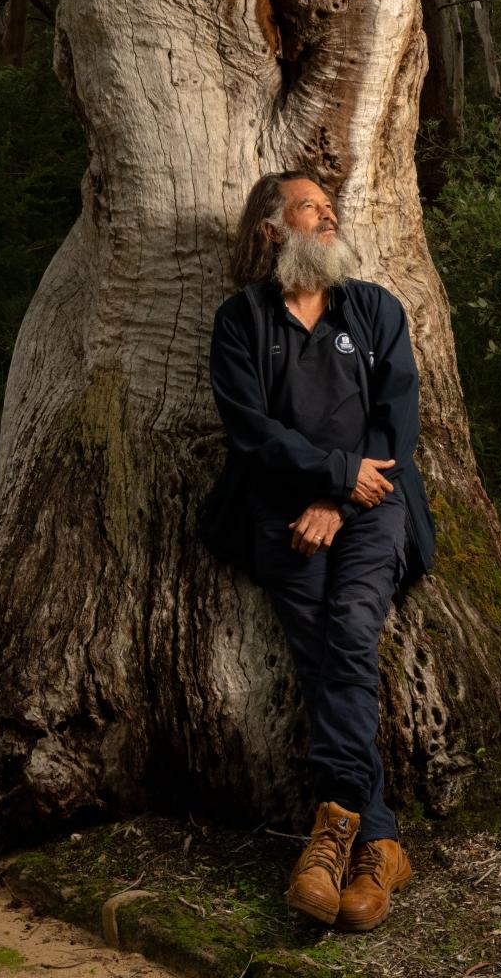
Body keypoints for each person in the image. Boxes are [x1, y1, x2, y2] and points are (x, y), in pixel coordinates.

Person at [199, 170, 436, 932]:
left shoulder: (371, 310)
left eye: (331, 208)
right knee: (323, 658)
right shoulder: (241, 323)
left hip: (372, 508)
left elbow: (395, 422)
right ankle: (377, 840)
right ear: (273, 229)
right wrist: (324, 483)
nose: (328, 215)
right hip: (279, 514)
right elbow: (252, 434)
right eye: (310, 207)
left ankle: (331, 839)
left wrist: (337, 496)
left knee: (350, 636)